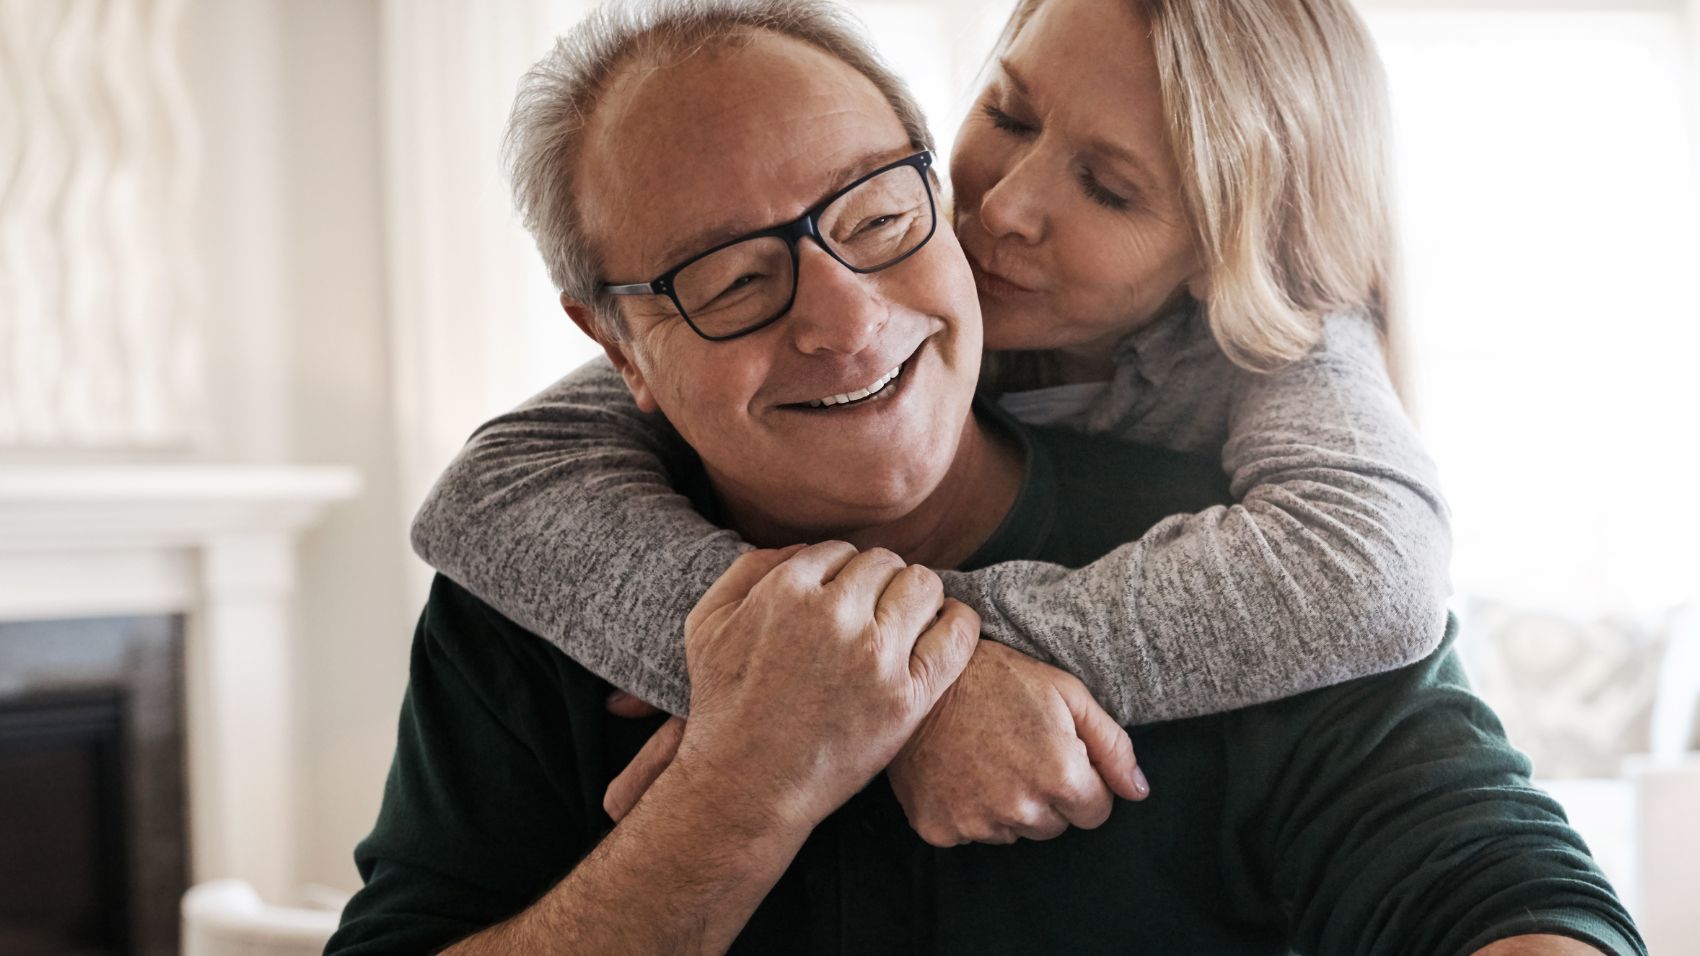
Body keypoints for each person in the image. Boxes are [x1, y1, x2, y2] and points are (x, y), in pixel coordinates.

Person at [328, 2, 1642, 952]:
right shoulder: (531, 591)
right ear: (618, 341)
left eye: (877, 214)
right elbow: (485, 495)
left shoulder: (1255, 529)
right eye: (730, 280)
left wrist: (905, 675)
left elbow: (1499, 885)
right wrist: (743, 780)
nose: (842, 319)